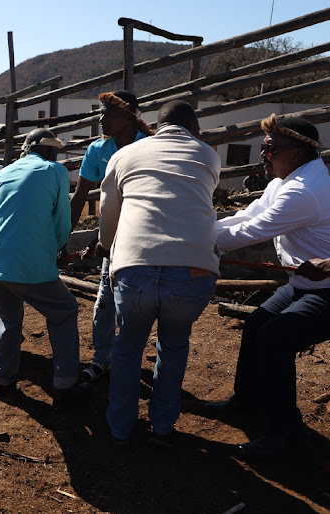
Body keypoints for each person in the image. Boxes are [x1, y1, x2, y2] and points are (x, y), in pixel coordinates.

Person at [207, 114, 330, 457]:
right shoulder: (284, 182)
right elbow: (245, 217)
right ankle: (248, 402)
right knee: (256, 325)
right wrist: (198, 229)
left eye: (270, 148)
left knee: (274, 338)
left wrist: (186, 237)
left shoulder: (302, 191)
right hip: (312, 284)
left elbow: (248, 233)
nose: (263, 155)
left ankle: (286, 433)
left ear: (296, 153)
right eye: (264, 147)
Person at [99, 100, 220, 446]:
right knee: (175, 344)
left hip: (135, 268)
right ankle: (163, 426)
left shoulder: (125, 155)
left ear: (156, 125)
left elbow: (109, 210)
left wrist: (109, 247)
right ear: (193, 130)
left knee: (127, 347)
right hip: (194, 271)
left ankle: (120, 427)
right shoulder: (209, 155)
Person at [0, 128, 86, 408]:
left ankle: (1, 378)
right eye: (56, 151)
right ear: (48, 150)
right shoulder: (55, 171)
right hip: (26, 262)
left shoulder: (3, 173)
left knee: (9, 319)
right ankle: (65, 382)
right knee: (64, 311)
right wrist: (58, 250)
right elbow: (62, 220)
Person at [69, 90, 154, 383]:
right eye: (101, 113)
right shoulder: (97, 150)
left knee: (134, 303)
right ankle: (102, 359)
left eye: (108, 114)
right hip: (112, 238)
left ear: (128, 116)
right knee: (104, 302)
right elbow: (80, 195)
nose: (101, 119)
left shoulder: (150, 147)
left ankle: (130, 358)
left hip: (144, 238)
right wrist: (62, 236)